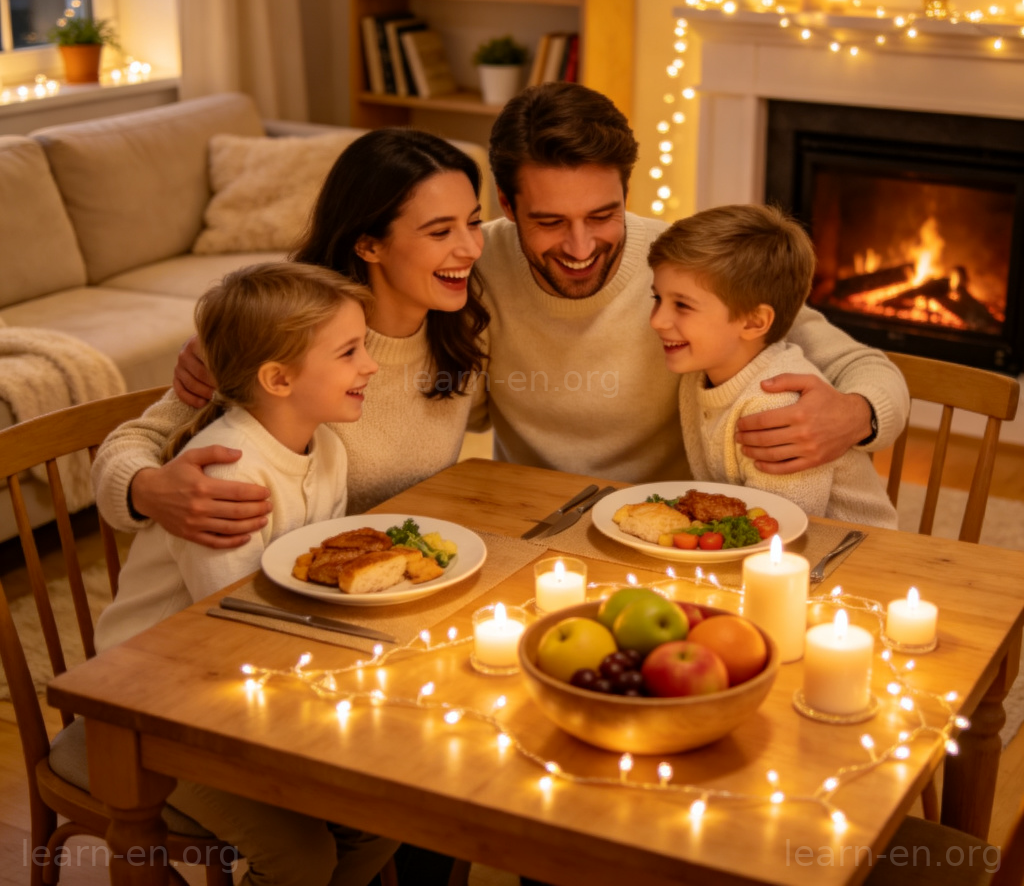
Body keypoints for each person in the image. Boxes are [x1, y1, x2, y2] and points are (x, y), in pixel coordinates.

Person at [94, 261, 397, 886]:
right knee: (301, 859)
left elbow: (317, 577)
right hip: (151, 707)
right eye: (349, 352)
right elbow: (239, 626)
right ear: (278, 378)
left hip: (243, 683)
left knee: (386, 818)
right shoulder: (227, 475)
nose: (370, 365)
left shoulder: (327, 446)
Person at [471, 82, 909, 479]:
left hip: (673, 521)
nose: (581, 247)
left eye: (603, 216)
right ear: (507, 206)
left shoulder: (683, 267)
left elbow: (866, 367)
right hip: (528, 513)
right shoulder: (473, 264)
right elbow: (466, 413)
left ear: (625, 194)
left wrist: (856, 415)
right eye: (550, 222)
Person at [92, 129, 488, 544]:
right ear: (368, 245)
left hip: (397, 561)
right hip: (284, 573)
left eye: (474, 222)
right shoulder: (286, 331)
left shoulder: (466, 327)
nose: (472, 248)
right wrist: (147, 490)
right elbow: (132, 444)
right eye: (440, 232)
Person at [648, 204, 898, 526]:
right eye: (657, 298)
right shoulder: (699, 372)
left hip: (852, 549)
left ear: (754, 321)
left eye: (682, 305)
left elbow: (781, 527)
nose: (657, 320)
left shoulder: (777, 404)